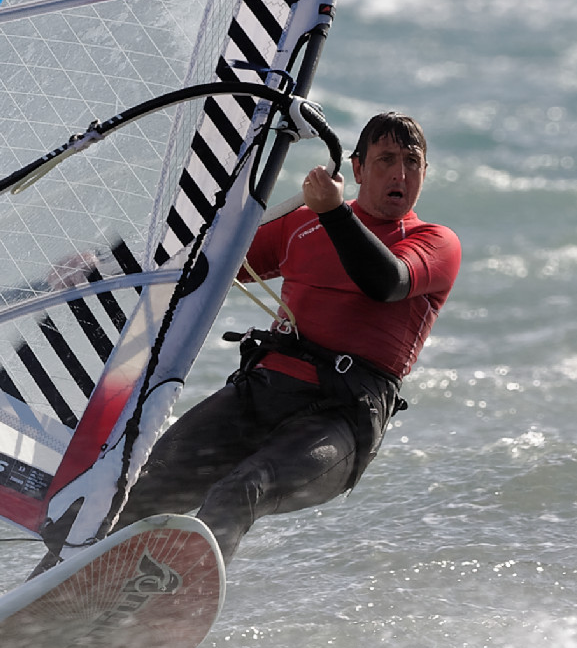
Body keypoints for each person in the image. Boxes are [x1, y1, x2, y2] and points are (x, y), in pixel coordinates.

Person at [113, 111, 461, 565]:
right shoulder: (302, 224)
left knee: (239, 491)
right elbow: (203, 262)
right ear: (357, 168)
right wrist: (107, 264)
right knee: (141, 487)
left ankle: (174, 597)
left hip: (342, 417)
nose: (400, 174)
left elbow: (385, 282)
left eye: (412, 162)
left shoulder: (433, 242)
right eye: (386, 160)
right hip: (263, 391)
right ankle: (50, 591)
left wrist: (334, 212)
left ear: (425, 172)